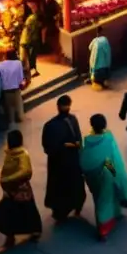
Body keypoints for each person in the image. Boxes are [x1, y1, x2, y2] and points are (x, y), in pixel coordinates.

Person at [80, 113, 127, 241]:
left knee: (98, 196)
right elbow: (115, 161)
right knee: (105, 197)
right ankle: (104, 226)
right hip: (107, 167)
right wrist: (118, 178)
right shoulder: (108, 139)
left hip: (90, 174)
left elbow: (83, 159)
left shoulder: (87, 140)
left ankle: (113, 215)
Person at [0, 129, 43, 254]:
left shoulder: (22, 155)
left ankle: (11, 239)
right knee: (26, 210)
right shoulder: (10, 154)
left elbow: (25, 171)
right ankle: (32, 231)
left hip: (19, 189)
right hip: (11, 189)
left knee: (10, 213)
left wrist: (7, 180)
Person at [41, 94, 86, 223]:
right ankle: (77, 206)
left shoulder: (49, 125)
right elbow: (78, 141)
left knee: (59, 188)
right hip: (72, 161)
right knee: (75, 185)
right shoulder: (73, 120)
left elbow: (47, 147)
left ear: (58, 107)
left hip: (57, 164)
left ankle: (60, 213)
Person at [0, 50, 26, 126]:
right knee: (19, 109)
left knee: (10, 111)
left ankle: (12, 123)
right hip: (16, 90)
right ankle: (19, 119)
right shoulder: (18, 63)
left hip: (6, 92)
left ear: (5, 56)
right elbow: (20, 78)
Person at [19, 0, 42, 77]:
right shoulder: (35, 18)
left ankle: (30, 71)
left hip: (28, 40)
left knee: (28, 57)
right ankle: (32, 70)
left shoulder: (31, 18)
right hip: (33, 40)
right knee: (32, 56)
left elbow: (28, 29)